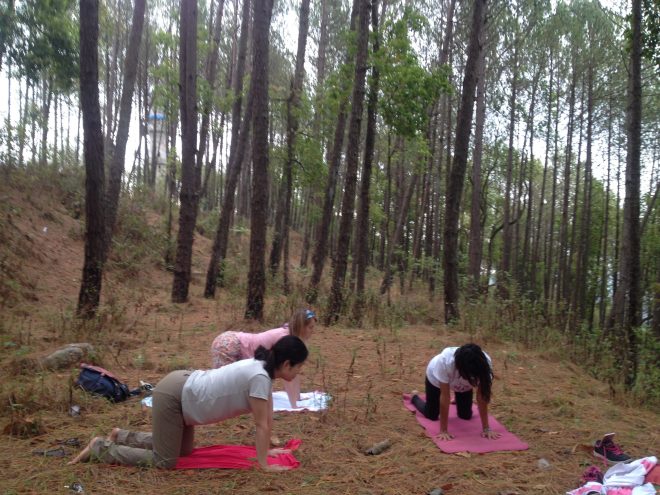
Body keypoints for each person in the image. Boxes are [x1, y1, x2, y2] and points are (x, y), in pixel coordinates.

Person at [68, 335, 308, 471]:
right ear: (287, 364)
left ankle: (121, 435)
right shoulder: (259, 376)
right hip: (176, 397)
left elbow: (266, 417)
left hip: (185, 395)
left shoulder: (262, 373)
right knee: (166, 460)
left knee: (183, 451)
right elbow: (261, 425)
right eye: (299, 366)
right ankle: (102, 447)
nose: (299, 372)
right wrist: (264, 464)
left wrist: (266, 450)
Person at [211, 308, 317, 408]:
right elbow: (287, 373)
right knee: (222, 381)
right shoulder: (286, 339)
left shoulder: (291, 337)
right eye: (310, 327)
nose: (313, 331)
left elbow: (293, 371)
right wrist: (294, 405)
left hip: (235, 342)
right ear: (301, 327)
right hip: (229, 344)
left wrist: (297, 398)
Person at [410, 343, 501, 441]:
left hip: (462, 383)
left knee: (465, 415)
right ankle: (414, 397)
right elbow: (445, 396)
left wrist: (486, 428)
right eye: (469, 375)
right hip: (436, 378)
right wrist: (443, 431)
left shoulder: (484, 364)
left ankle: (458, 398)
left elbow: (482, 396)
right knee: (431, 414)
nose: (472, 377)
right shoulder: (444, 362)